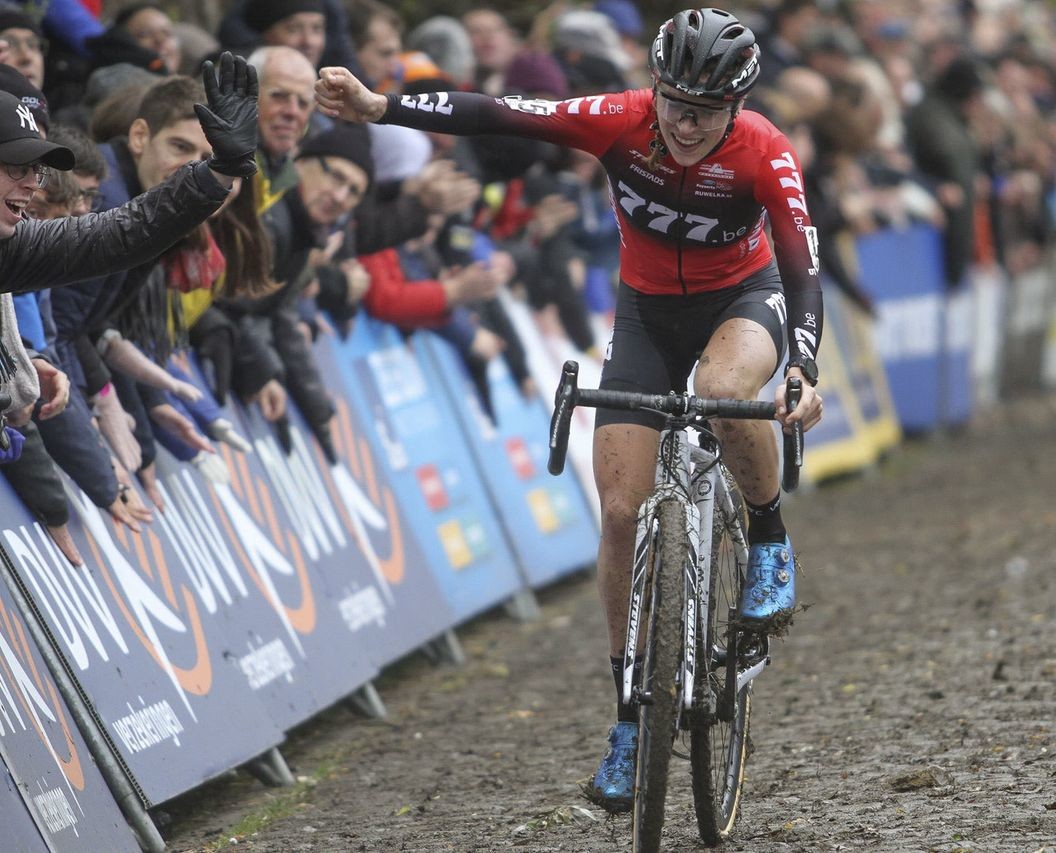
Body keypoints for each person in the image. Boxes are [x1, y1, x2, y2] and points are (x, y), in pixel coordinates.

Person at [316, 7, 824, 812]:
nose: (687, 126)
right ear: (654, 89)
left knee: (728, 395)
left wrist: (801, 366)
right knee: (620, 510)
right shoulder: (620, 121)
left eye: (706, 111)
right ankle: (629, 715)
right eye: (675, 104)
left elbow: (801, 272)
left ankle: (768, 536)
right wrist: (383, 107)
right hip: (647, 314)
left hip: (743, 299)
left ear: (736, 106)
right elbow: (496, 110)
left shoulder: (764, 150)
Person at [0, 51, 260, 426]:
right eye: (16, 167)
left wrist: (221, 171)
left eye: (36, 171)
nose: (31, 185)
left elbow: (122, 233)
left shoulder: (11, 246)